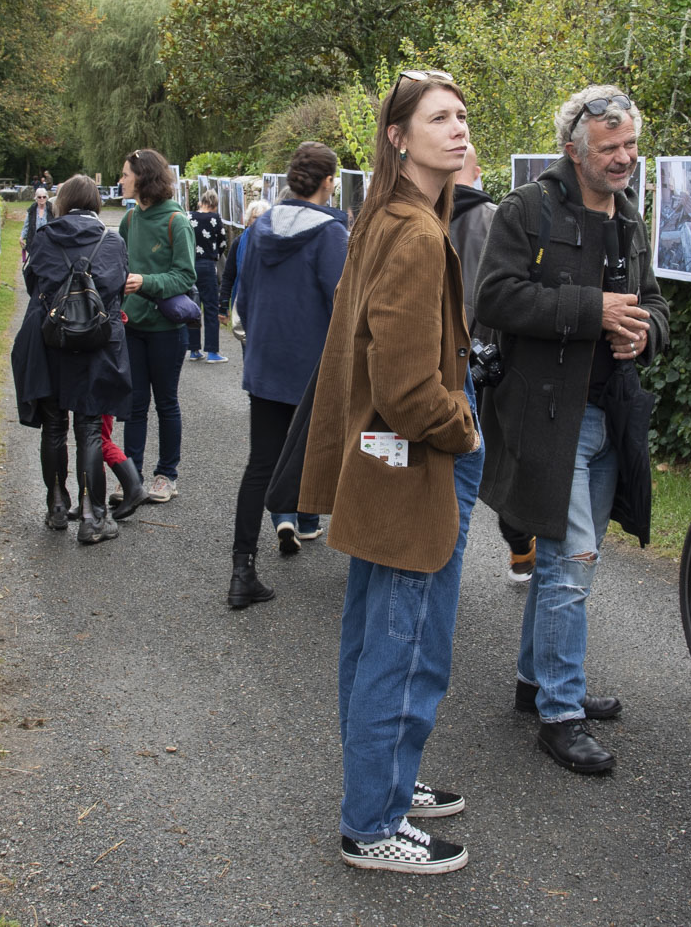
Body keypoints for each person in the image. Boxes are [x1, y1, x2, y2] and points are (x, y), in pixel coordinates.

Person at [298, 70, 484, 875]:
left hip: (379, 463)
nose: (459, 128)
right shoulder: (411, 233)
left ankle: (385, 787)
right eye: (439, 117)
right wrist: (464, 429)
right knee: (402, 651)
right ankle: (372, 824)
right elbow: (410, 391)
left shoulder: (384, 216)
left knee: (374, 640)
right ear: (399, 137)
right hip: (407, 466)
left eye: (464, 115)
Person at [474, 85, 669, 776]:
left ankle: (537, 683)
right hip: (543, 417)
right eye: (609, 148)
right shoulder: (524, 210)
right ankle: (561, 713)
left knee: (569, 564)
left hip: (609, 415)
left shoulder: (630, 216)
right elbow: (492, 299)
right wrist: (594, 312)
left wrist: (643, 335)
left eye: (631, 146)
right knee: (569, 564)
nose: (623, 159)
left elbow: (651, 304)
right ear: (573, 150)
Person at [228, 143, 350, 603]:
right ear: (328, 182)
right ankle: (363, 576)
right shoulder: (331, 236)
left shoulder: (259, 229)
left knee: (261, 465)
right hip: (314, 371)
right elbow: (343, 306)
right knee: (340, 464)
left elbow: (243, 297)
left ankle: (242, 571)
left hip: (265, 364)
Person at [8, 176, 130, 545]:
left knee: (54, 427)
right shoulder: (112, 242)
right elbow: (117, 293)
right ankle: (93, 518)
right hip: (95, 345)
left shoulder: (44, 237)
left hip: (50, 342)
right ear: (95, 204)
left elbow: (34, 286)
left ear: (61, 203)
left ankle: (56, 506)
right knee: (90, 428)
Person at [449, 143, 532, 586]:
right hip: (489, 358)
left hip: (438, 359)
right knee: (498, 457)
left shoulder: (422, 216)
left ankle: (438, 566)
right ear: (478, 172)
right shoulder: (499, 220)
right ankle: (520, 547)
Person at [118, 149, 196, 502]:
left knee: (166, 403)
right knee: (134, 404)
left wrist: (145, 282)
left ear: (143, 177)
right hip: (131, 327)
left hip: (166, 330)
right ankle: (130, 477)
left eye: (125, 175)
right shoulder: (129, 220)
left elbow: (185, 276)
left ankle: (167, 475)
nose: (120, 181)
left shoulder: (176, 221)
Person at [187, 186, 231, 363]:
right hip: (207, 265)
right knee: (211, 307)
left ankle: (194, 349)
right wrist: (216, 256)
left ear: (202, 202)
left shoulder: (188, 216)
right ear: (214, 204)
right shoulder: (215, 218)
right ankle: (212, 352)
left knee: (193, 307)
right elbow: (222, 243)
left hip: (190, 264)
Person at [223, 198, 269, 340]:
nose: (259, 221)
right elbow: (229, 275)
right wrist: (223, 304)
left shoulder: (275, 243)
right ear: (249, 220)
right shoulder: (239, 242)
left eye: (263, 217)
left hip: (266, 306)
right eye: (255, 217)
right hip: (245, 304)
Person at [22, 187, 51, 265]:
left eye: (44, 197)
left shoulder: (52, 209)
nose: (42, 199)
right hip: (34, 242)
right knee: (34, 264)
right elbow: (26, 225)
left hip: (48, 243)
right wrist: (22, 237)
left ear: (47, 198)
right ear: (36, 198)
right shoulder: (32, 210)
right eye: (39, 197)